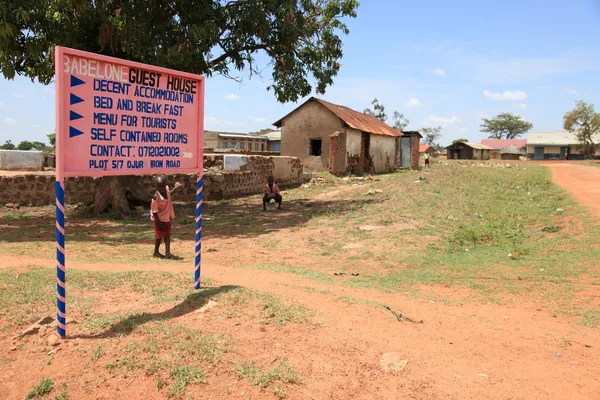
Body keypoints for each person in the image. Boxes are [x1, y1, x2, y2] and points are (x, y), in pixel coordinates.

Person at [151, 175, 182, 259]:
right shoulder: (156, 198)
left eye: (163, 186)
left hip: (166, 217)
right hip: (158, 219)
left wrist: (175, 187)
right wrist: (159, 223)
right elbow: (154, 212)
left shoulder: (166, 190)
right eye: (159, 187)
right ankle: (156, 252)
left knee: (167, 235)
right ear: (155, 186)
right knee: (159, 236)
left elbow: (169, 194)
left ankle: (167, 252)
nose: (161, 189)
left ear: (165, 185)